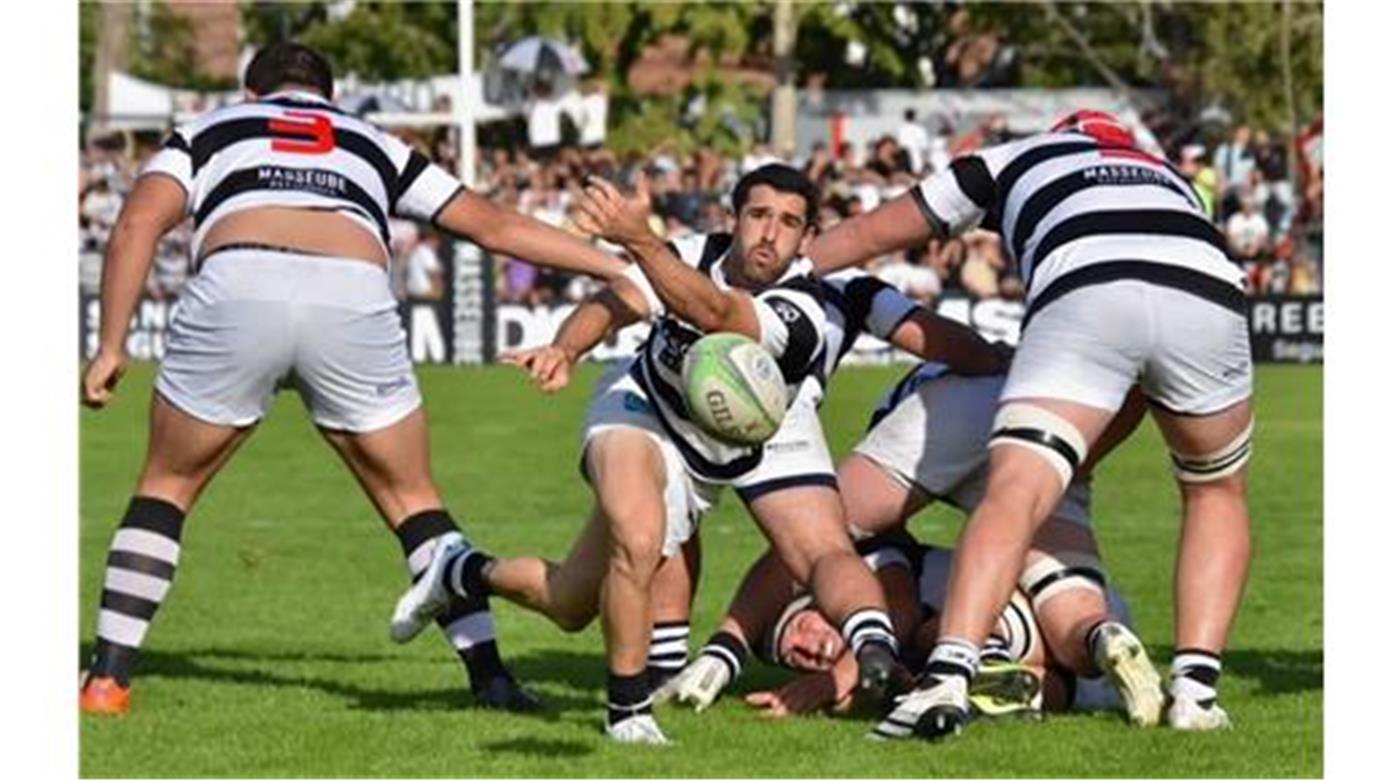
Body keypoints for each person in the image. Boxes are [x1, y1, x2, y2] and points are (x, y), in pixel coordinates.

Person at [78, 42, 627, 716]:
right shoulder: (371, 140)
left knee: (167, 485)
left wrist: (110, 344)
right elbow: (493, 225)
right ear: (330, 99)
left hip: (238, 281)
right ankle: (491, 680)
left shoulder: (209, 129)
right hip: (351, 293)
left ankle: (107, 680)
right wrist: (613, 268)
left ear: (254, 95)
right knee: (413, 501)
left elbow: (137, 222)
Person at [389, 165, 915, 744]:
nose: (770, 234)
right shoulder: (689, 251)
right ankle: (627, 712)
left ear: (807, 238)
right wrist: (566, 347)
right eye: (758, 215)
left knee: (569, 603)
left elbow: (715, 315)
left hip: (759, 428)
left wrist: (638, 239)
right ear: (732, 219)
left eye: (788, 223)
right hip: (643, 408)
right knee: (638, 540)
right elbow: (613, 302)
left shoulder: (805, 308)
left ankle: (458, 570)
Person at [809, 109, 1254, 737]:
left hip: (1087, 289)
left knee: (1015, 492)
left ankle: (948, 675)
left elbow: (867, 236)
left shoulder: (1016, 156)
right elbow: (1133, 391)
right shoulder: (1171, 179)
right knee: (1214, 490)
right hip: (1207, 293)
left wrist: (770, 270)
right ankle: (1196, 693)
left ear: (1061, 132)